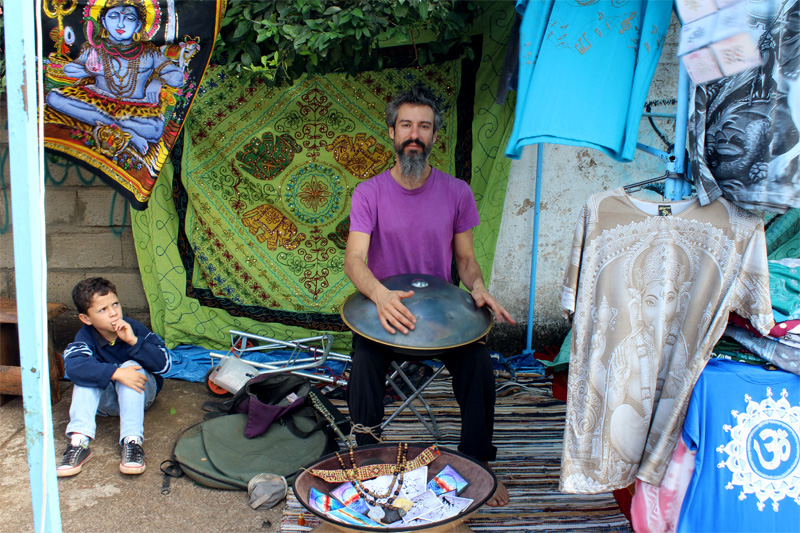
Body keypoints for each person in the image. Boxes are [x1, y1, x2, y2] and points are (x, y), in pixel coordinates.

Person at [344, 86, 515, 507]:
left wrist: (477, 287)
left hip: (441, 322)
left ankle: (477, 465)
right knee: (364, 360)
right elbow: (354, 261)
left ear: (435, 135)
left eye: (424, 126)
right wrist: (381, 296)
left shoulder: (457, 192)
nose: (414, 134)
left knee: (478, 364)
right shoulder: (369, 193)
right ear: (391, 132)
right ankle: (366, 459)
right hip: (386, 315)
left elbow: (467, 259)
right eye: (406, 125)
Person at [56, 277, 172, 477]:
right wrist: (116, 373)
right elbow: (73, 367)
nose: (113, 313)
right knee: (86, 375)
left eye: (115, 304)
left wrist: (134, 342)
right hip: (105, 403)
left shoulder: (135, 328)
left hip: (140, 396)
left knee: (132, 366)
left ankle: (132, 442)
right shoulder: (84, 337)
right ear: (86, 318)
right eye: (102, 310)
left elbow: (165, 364)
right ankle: (79, 442)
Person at [45, 0, 187, 155]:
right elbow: (69, 69)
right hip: (98, 100)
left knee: (156, 130)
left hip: (136, 107)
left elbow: (178, 77)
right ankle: (129, 133)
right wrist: (88, 70)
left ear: (138, 26)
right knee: (53, 97)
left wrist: (157, 81)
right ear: (104, 22)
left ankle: (113, 124)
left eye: (129, 18)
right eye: (113, 16)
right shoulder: (95, 48)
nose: (121, 24)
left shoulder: (149, 52)